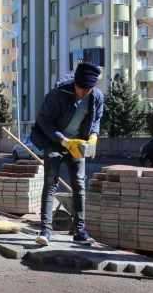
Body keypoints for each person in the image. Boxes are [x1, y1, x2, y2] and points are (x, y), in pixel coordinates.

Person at [29, 62, 104, 246]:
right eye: (79, 88)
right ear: (75, 84)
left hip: (78, 144)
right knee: (50, 184)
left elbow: (97, 119)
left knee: (79, 185)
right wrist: (64, 141)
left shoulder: (96, 96)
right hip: (55, 142)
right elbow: (44, 121)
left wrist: (93, 137)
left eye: (87, 90)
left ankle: (79, 231)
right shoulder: (57, 95)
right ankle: (46, 230)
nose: (82, 93)